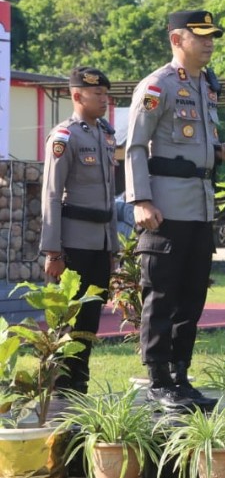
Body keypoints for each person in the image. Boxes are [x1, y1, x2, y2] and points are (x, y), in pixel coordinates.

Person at [126, 10, 225, 410]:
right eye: (202, 36)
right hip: (165, 209)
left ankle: (180, 377)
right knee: (161, 295)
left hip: (200, 208)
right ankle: (158, 380)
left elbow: (197, 146)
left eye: (213, 36)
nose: (210, 42)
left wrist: (222, 151)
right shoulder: (158, 86)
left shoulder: (206, 87)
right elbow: (136, 147)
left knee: (192, 298)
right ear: (178, 40)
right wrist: (140, 200)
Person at [40, 67, 118, 395]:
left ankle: (79, 380)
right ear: (77, 96)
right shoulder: (65, 136)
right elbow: (52, 194)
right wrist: (53, 252)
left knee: (90, 318)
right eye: (96, 94)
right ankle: (59, 384)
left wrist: (112, 247)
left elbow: (110, 196)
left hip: (100, 242)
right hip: (73, 242)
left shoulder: (104, 134)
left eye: (105, 93)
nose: (104, 99)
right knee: (69, 318)